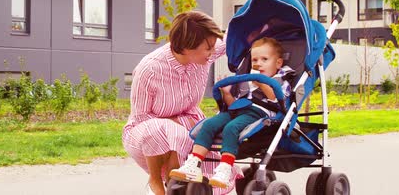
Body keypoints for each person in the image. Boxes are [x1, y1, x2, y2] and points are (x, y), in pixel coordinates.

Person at [122, 10, 234, 195]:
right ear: (188, 47)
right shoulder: (149, 69)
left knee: (208, 174)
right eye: (208, 48)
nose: (213, 52)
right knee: (168, 130)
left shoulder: (203, 55)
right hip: (146, 134)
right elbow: (141, 118)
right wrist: (181, 123)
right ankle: (157, 180)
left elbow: (230, 37)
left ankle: (176, 185)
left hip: (188, 126)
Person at [169, 37, 295, 189]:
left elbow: (276, 99)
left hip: (259, 113)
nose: (258, 63)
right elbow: (234, 105)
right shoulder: (247, 81)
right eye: (254, 59)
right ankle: (193, 163)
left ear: (278, 63)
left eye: (264, 59)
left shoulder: (281, 80)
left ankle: (225, 169)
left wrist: (261, 82)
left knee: (231, 128)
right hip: (238, 110)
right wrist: (227, 94)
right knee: (208, 124)